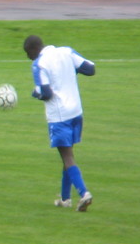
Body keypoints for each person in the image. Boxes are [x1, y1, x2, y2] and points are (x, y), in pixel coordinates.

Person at [23, 35, 96, 212]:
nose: (28, 58)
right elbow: (90, 69)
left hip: (59, 116)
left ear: (33, 50)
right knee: (67, 155)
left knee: (67, 157)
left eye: (27, 53)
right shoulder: (66, 52)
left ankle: (84, 193)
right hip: (76, 112)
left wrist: (35, 93)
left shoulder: (39, 64)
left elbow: (46, 93)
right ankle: (65, 199)